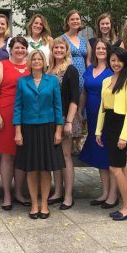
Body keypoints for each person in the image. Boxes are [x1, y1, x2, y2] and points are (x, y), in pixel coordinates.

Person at [14, 50, 65, 219]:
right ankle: (34, 204)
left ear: (44, 62)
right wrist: (18, 131)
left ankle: (44, 203)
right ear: (29, 62)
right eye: (33, 59)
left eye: (39, 59)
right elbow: (18, 108)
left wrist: (59, 130)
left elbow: (58, 106)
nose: (36, 61)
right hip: (28, 128)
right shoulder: (22, 82)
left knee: (44, 169)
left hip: (47, 128)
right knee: (31, 169)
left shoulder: (52, 81)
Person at [95, 47, 127, 221]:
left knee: (115, 167)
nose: (116, 63)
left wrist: (124, 136)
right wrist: (98, 130)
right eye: (112, 60)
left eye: (119, 60)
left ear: (125, 62)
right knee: (121, 167)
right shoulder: (106, 80)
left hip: (121, 125)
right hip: (109, 123)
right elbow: (102, 108)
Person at [0, 36, 30, 210]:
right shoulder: (2, 65)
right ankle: (6, 194)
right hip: (5, 114)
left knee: (22, 156)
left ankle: (19, 192)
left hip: (27, 117)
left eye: (23, 48)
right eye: (16, 48)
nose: (20, 51)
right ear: (10, 49)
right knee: (6, 156)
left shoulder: (31, 65)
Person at [78, 39, 117, 208]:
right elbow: (84, 92)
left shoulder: (112, 70)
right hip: (92, 116)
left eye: (104, 48)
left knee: (110, 155)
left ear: (108, 51)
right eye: (98, 48)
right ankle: (105, 192)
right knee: (100, 154)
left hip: (108, 116)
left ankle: (113, 195)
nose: (100, 50)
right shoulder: (89, 69)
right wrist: (80, 110)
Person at [46, 38, 80, 210]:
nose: (58, 50)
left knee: (65, 156)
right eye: (55, 47)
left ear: (66, 50)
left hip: (66, 117)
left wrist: (68, 121)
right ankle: (57, 192)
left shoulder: (71, 70)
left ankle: (68, 196)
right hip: (50, 119)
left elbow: (75, 97)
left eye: (62, 47)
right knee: (55, 156)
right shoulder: (48, 70)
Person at [61, 10, 91, 153]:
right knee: (70, 106)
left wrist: (90, 76)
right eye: (72, 19)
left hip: (83, 77)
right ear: (67, 22)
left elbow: (89, 60)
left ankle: (78, 140)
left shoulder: (84, 40)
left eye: (77, 19)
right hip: (69, 76)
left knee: (82, 109)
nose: (75, 21)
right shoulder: (62, 39)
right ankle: (69, 138)